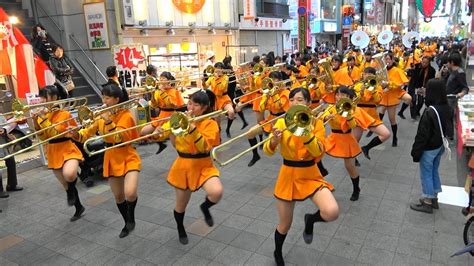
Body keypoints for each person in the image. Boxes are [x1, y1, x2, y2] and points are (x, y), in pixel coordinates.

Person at [264, 88, 339, 266]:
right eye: (291, 100)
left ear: (307, 103)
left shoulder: (316, 123)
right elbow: (267, 151)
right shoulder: (282, 122)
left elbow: (318, 151)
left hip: (310, 174)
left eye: (299, 99)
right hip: (288, 175)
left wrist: (305, 131)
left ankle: (310, 220)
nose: (295, 103)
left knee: (331, 211)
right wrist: (273, 140)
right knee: (284, 224)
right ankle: (278, 252)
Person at [153, 90, 223, 245]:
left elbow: (204, 146)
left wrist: (191, 128)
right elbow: (160, 133)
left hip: (204, 164)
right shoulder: (179, 119)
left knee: (216, 192)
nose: (190, 107)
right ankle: (180, 227)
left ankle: (205, 207)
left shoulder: (210, 123)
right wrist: (158, 132)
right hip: (183, 165)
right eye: (189, 103)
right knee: (180, 205)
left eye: (195, 104)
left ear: (204, 107)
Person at [75, 84, 140, 238]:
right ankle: (127, 222)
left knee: (130, 193)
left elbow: (120, 137)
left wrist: (108, 121)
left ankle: (131, 217)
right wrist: (75, 134)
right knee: (118, 196)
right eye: (103, 97)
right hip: (110, 155)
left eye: (107, 97)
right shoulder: (100, 116)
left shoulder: (126, 116)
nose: (104, 101)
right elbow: (86, 133)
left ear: (117, 99)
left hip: (127, 154)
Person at [33, 85, 84, 221]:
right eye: (41, 97)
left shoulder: (64, 114)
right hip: (53, 150)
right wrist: (35, 122)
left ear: (55, 98)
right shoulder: (42, 116)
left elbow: (55, 132)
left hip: (67, 147)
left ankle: (73, 188)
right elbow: (44, 137)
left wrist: (42, 119)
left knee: (69, 174)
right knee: (66, 184)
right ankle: (79, 207)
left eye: (45, 97)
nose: (42, 100)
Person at [410, 79, 451, 213]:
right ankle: (434, 197)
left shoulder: (429, 111)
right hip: (440, 145)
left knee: (426, 173)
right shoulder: (446, 107)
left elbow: (422, 135)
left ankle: (427, 200)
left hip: (429, 147)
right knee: (434, 170)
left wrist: (416, 151)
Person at [323, 86, 361, 201]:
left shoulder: (352, 108)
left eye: (343, 95)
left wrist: (348, 115)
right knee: (316, 152)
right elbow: (322, 119)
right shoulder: (331, 107)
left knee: (350, 167)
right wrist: (326, 117)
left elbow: (354, 125)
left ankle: (356, 189)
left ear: (348, 97)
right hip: (333, 137)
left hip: (346, 139)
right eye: (337, 94)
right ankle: (321, 173)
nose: (339, 97)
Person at [246, 71, 290, 167]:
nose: (273, 82)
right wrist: (266, 97)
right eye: (271, 79)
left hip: (282, 120)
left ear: (280, 81)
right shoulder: (267, 93)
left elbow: (279, 106)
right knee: (250, 133)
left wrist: (274, 94)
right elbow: (261, 108)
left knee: (285, 145)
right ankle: (255, 155)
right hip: (270, 119)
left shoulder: (285, 92)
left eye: (275, 79)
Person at [140, 71, 184, 154]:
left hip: (171, 116)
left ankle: (182, 153)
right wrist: (152, 93)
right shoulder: (158, 91)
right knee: (143, 132)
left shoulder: (173, 91)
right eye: (160, 78)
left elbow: (170, 104)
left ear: (169, 81)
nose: (160, 80)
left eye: (163, 78)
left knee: (175, 143)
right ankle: (161, 143)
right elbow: (154, 105)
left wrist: (162, 92)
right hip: (161, 115)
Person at [379, 53, 412, 147]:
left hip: (394, 94)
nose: (387, 61)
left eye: (389, 59)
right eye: (385, 59)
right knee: (381, 111)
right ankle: (376, 128)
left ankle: (394, 137)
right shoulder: (382, 71)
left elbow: (403, 82)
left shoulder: (397, 70)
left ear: (393, 60)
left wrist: (390, 84)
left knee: (392, 119)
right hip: (385, 94)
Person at [441, 52, 469, 140]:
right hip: (446, 96)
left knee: (449, 117)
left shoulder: (460, 73)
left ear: (452, 62)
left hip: (452, 99)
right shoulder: (452, 71)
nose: (447, 64)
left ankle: (449, 136)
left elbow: (465, 88)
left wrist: (460, 94)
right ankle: (447, 134)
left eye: (448, 62)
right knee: (447, 117)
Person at [203, 62, 236, 138]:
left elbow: (222, 88)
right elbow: (205, 87)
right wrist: (203, 81)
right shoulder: (211, 78)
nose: (218, 70)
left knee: (231, 112)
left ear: (222, 69)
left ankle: (228, 129)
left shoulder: (225, 77)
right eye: (216, 68)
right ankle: (219, 137)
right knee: (217, 124)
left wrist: (217, 78)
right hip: (215, 99)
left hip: (224, 98)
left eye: (220, 68)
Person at [0, 117, 24, 198]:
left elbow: (7, 124)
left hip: (3, 140)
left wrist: (4, 129)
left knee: (11, 161)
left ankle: (12, 185)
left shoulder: (1, 115)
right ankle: (0, 190)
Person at [223, 56, 248, 129]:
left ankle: (241, 120)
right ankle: (242, 120)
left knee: (234, 104)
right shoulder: (228, 68)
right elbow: (231, 77)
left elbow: (231, 78)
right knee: (234, 104)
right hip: (230, 88)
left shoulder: (227, 69)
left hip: (230, 88)